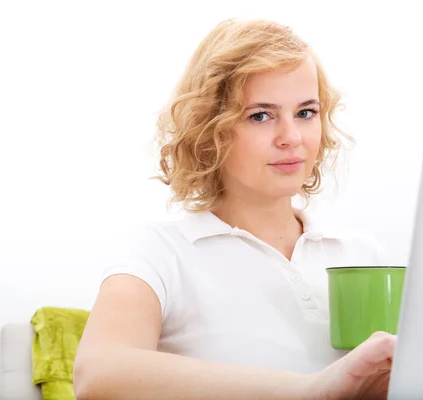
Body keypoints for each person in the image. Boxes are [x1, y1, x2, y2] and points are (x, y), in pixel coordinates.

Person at [73, 18, 394, 399]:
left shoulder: (361, 254)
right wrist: (312, 390)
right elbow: (97, 374)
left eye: (306, 112)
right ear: (210, 129)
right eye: (261, 115)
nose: (291, 138)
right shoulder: (162, 251)